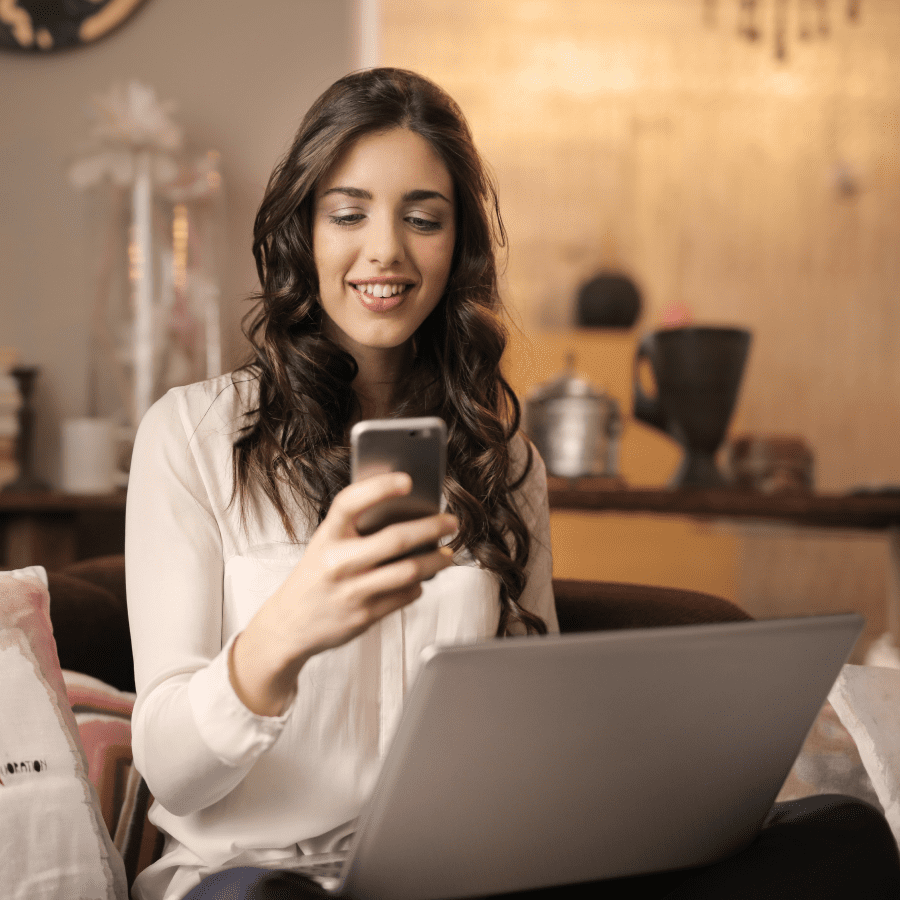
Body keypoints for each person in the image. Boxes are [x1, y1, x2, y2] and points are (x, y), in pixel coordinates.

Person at [125, 68, 900, 900]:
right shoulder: (195, 436)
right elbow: (172, 772)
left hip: (459, 877)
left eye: (422, 219)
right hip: (258, 878)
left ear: (456, 246)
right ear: (301, 234)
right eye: (348, 214)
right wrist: (283, 634)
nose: (385, 248)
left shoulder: (503, 459)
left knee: (845, 840)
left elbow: (531, 723)